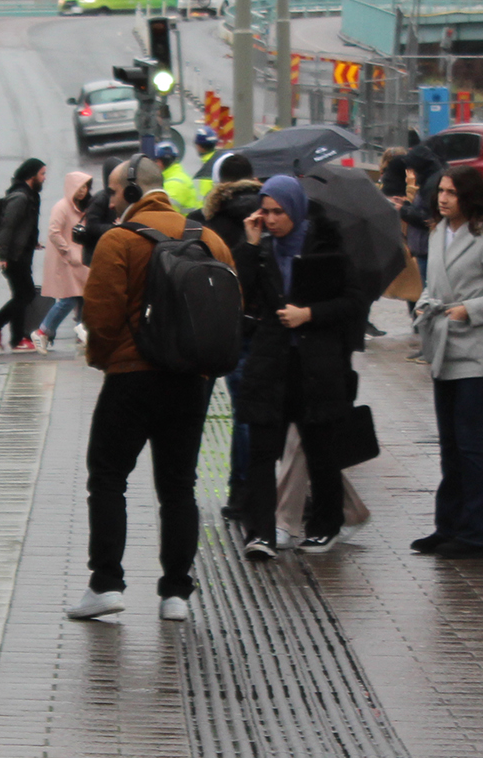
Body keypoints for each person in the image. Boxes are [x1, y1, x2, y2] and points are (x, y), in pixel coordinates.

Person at [68, 155, 237, 621]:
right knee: (179, 486)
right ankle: (176, 594)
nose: (109, 199)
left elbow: (100, 316)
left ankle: (106, 584)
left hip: (131, 378)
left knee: (107, 478)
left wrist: (108, 361)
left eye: (113, 192)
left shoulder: (119, 240)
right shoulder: (210, 240)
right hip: (191, 381)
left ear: (131, 194)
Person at [234, 175, 367, 560]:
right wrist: (250, 246)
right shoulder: (262, 249)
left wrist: (309, 313)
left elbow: (353, 302)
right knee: (262, 449)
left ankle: (325, 526)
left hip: (316, 364)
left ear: (295, 209)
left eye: (279, 212)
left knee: (320, 447)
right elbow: (239, 295)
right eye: (266, 211)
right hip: (270, 361)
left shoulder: (326, 247)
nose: (271, 219)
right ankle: (259, 532)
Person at [410, 165, 483, 560]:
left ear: (469, 197)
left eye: (452, 193)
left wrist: (468, 310)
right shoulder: (439, 231)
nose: (443, 199)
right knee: (450, 445)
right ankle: (449, 526)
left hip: (476, 354)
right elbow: (434, 283)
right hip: (443, 347)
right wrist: (427, 302)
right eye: (440, 191)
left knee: (469, 443)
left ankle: (478, 535)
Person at [189, 151, 261, 520]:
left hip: (206, 326)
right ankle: (242, 491)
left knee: (190, 412)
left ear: (219, 183)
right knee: (245, 413)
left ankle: (181, 486)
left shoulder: (202, 222)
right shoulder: (266, 217)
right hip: (250, 326)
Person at [0, 158, 46, 352]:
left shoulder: (29, 195)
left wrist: (31, 242)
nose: (44, 178)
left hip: (21, 253)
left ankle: (16, 338)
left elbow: (24, 226)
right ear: (32, 175)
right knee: (25, 294)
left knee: (22, 294)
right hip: (13, 256)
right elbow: (7, 227)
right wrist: (2, 255)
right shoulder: (20, 197)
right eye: (42, 174)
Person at [395, 143, 446, 363]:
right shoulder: (433, 179)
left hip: (427, 248)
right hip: (424, 248)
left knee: (427, 301)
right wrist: (407, 205)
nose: (412, 173)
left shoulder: (431, 183)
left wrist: (403, 210)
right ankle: (427, 347)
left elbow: (426, 219)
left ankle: (429, 348)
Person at [35, 170, 94, 353]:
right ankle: (43, 331)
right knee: (70, 299)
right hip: (67, 262)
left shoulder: (84, 207)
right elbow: (54, 232)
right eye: (79, 186)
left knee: (82, 297)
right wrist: (67, 251)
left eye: (86, 186)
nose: (83, 190)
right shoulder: (62, 207)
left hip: (79, 261)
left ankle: (80, 333)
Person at [154, 140, 202, 213]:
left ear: (160, 162)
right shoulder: (177, 176)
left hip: (181, 223)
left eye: (155, 161)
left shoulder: (174, 183)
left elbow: (165, 213)